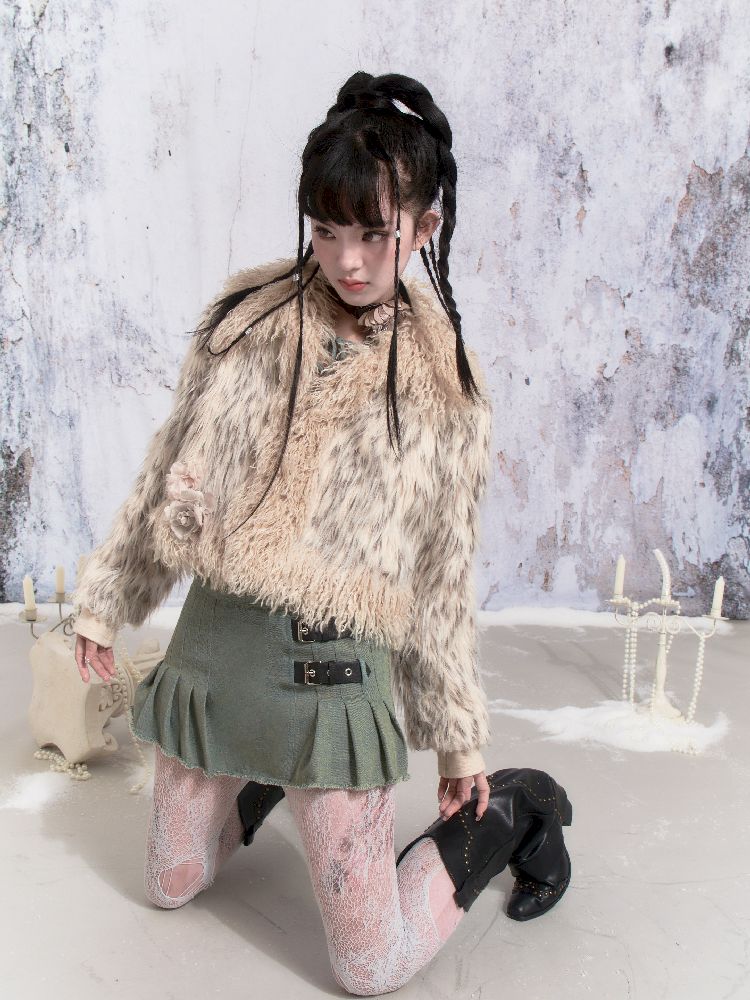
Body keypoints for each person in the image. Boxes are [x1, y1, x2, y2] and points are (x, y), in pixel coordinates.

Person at [71, 71, 573, 995]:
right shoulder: (245, 322)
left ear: (425, 226)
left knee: (369, 967)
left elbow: (442, 578)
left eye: (374, 233)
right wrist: (107, 600)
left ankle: (518, 811)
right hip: (213, 664)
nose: (347, 259)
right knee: (171, 885)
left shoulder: (444, 386)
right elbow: (166, 465)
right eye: (326, 229)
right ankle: (262, 779)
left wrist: (459, 743)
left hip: (329, 678)